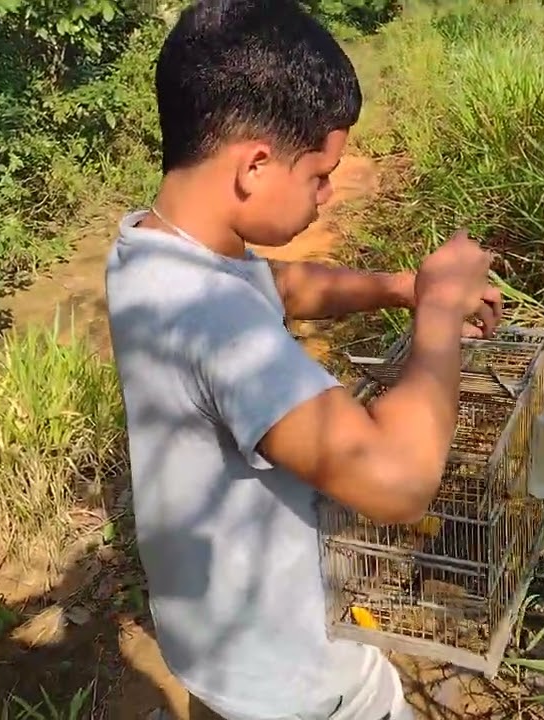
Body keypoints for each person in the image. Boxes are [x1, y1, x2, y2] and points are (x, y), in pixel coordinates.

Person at [104, 1, 502, 718]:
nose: (325, 196)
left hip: (220, 647)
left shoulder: (153, 249)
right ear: (255, 164)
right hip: (302, 678)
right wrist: (441, 309)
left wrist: (399, 290)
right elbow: (399, 482)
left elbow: (280, 285)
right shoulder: (214, 317)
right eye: (322, 174)